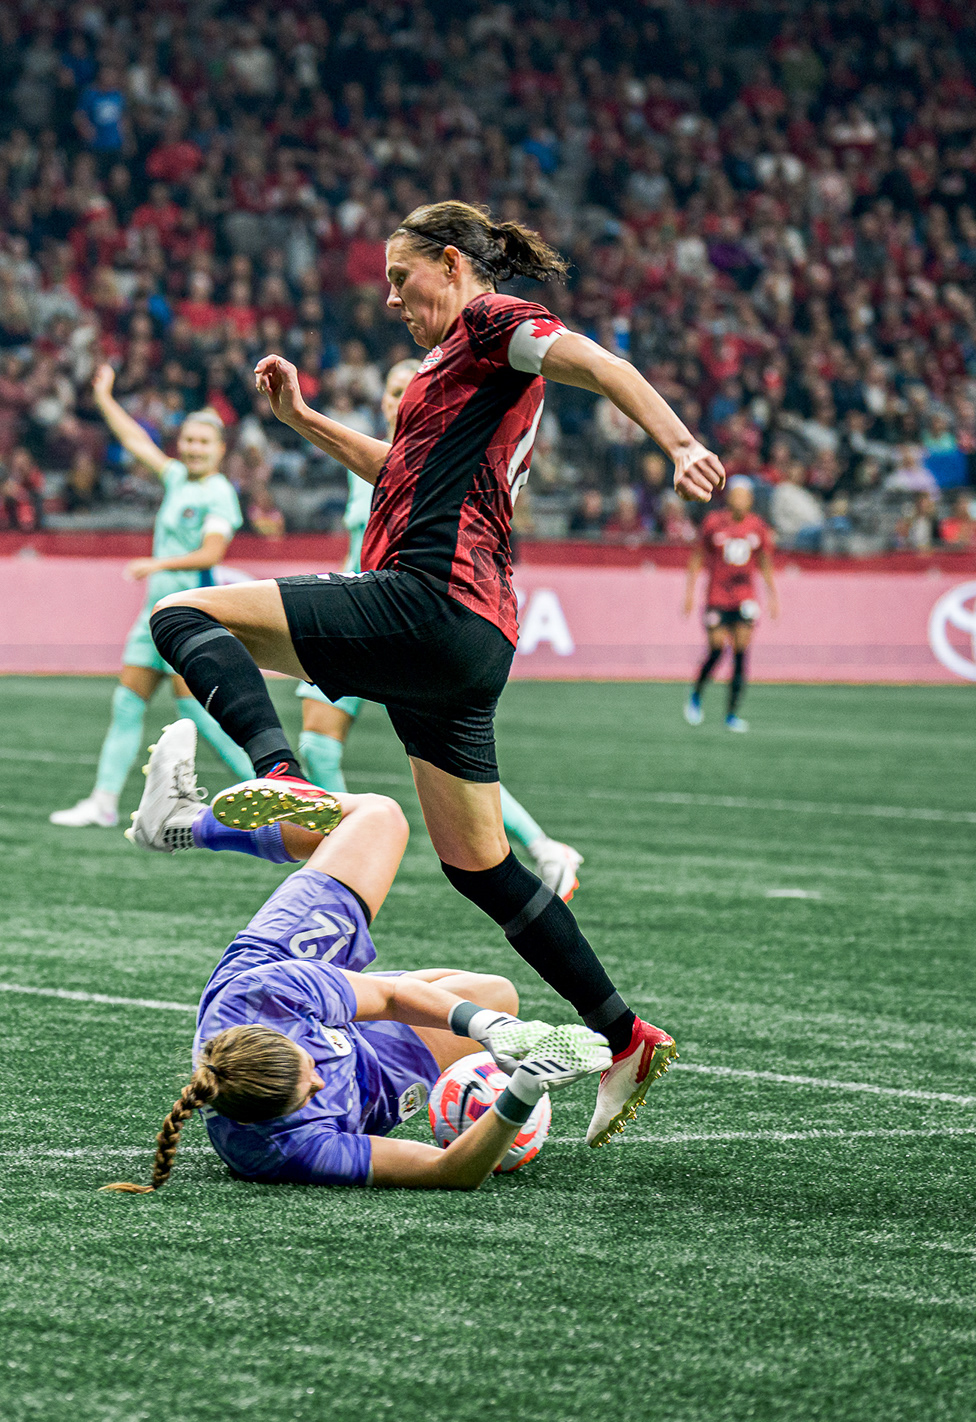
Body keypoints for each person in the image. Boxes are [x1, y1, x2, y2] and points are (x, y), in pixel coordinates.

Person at [143, 202, 717, 1145]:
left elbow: (600, 363)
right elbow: (397, 469)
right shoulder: (457, 375)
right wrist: (300, 419)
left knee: (184, 615)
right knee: (480, 865)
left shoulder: (491, 325)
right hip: (469, 640)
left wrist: (678, 440)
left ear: (452, 265)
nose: (393, 298)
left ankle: (280, 782)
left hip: (427, 601)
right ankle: (624, 1035)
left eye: (402, 279)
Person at [104, 720, 613, 1193]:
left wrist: (488, 1030)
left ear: (284, 1033)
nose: (321, 1076)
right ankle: (351, 1008)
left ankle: (184, 823)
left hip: (280, 962)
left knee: (377, 817)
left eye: (309, 1065)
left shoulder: (261, 992)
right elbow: (448, 1171)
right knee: (497, 993)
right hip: (375, 1085)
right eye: (310, 1091)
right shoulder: (284, 1151)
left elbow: (391, 996)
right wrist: (522, 1088)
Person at [298, 358, 587, 899]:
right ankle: (340, 864)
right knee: (318, 744)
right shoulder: (360, 453)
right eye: (387, 389)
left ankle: (541, 846)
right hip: (362, 615)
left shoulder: (434, 464)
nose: (392, 400)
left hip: (402, 624)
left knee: (447, 769)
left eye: (402, 389)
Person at [49, 364, 254, 829]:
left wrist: (156, 564)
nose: (193, 449)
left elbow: (212, 551)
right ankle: (102, 802)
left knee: (197, 715)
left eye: (203, 442)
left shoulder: (220, 493)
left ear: (221, 450)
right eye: (188, 441)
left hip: (187, 620)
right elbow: (136, 443)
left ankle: (273, 787)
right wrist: (103, 397)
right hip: (152, 618)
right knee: (126, 705)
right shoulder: (179, 479)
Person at [683, 475, 778, 733]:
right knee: (716, 648)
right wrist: (690, 592)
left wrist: (772, 595)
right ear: (729, 498)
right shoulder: (714, 523)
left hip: (745, 597)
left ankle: (731, 714)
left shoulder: (757, 527)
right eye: (736, 495)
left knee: (740, 652)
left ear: (750, 500)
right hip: (717, 597)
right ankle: (696, 694)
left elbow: (766, 562)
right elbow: (698, 556)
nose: (740, 500)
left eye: (744, 496)